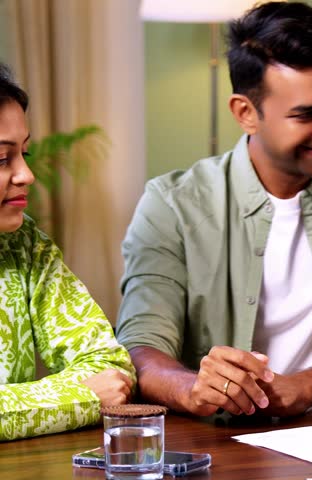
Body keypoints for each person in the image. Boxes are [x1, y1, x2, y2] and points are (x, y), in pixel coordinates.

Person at [116, 1, 312, 418]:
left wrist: (304, 387)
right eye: (307, 114)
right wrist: (192, 388)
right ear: (245, 113)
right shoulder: (171, 203)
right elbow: (141, 344)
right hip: (218, 437)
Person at [0, 64, 135, 441]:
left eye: (24, 152)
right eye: (1, 158)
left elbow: (110, 366)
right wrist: (81, 397)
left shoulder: (25, 244)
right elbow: (99, 390)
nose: (26, 174)